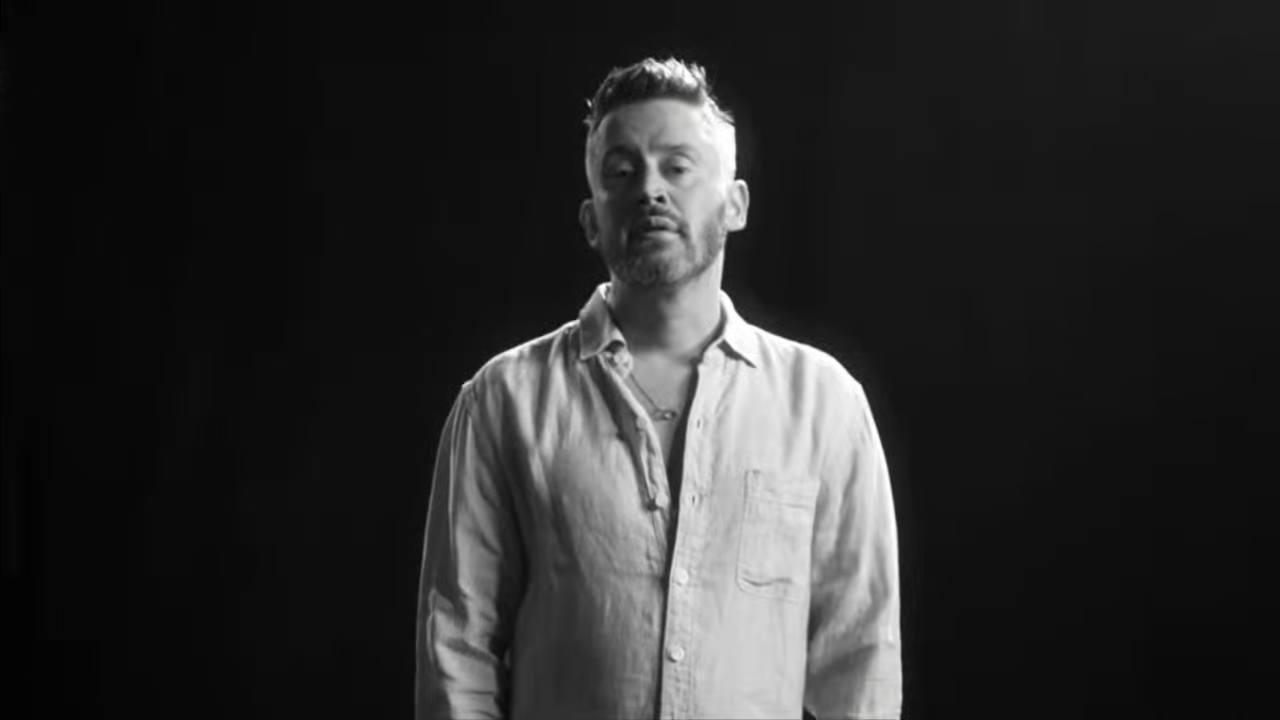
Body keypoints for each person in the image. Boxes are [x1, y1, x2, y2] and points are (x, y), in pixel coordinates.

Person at [416, 57, 902, 719]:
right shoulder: (503, 402)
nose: (650, 190)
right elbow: (458, 656)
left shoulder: (826, 406)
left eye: (678, 167)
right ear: (591, 219)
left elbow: (861, 662)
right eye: (622, 172)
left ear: (735, 204)